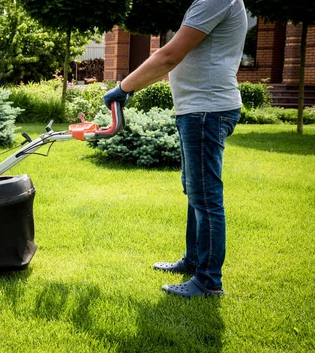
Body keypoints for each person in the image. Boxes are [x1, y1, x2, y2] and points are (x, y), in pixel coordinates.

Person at [104, 0, 247, 297]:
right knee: (195, 191)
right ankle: (194, 260)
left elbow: (170, 56)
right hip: (198, 110)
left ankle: (208, 281)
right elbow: (173, 60)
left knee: (206, 196)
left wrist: (124, 87)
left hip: (206, 111)